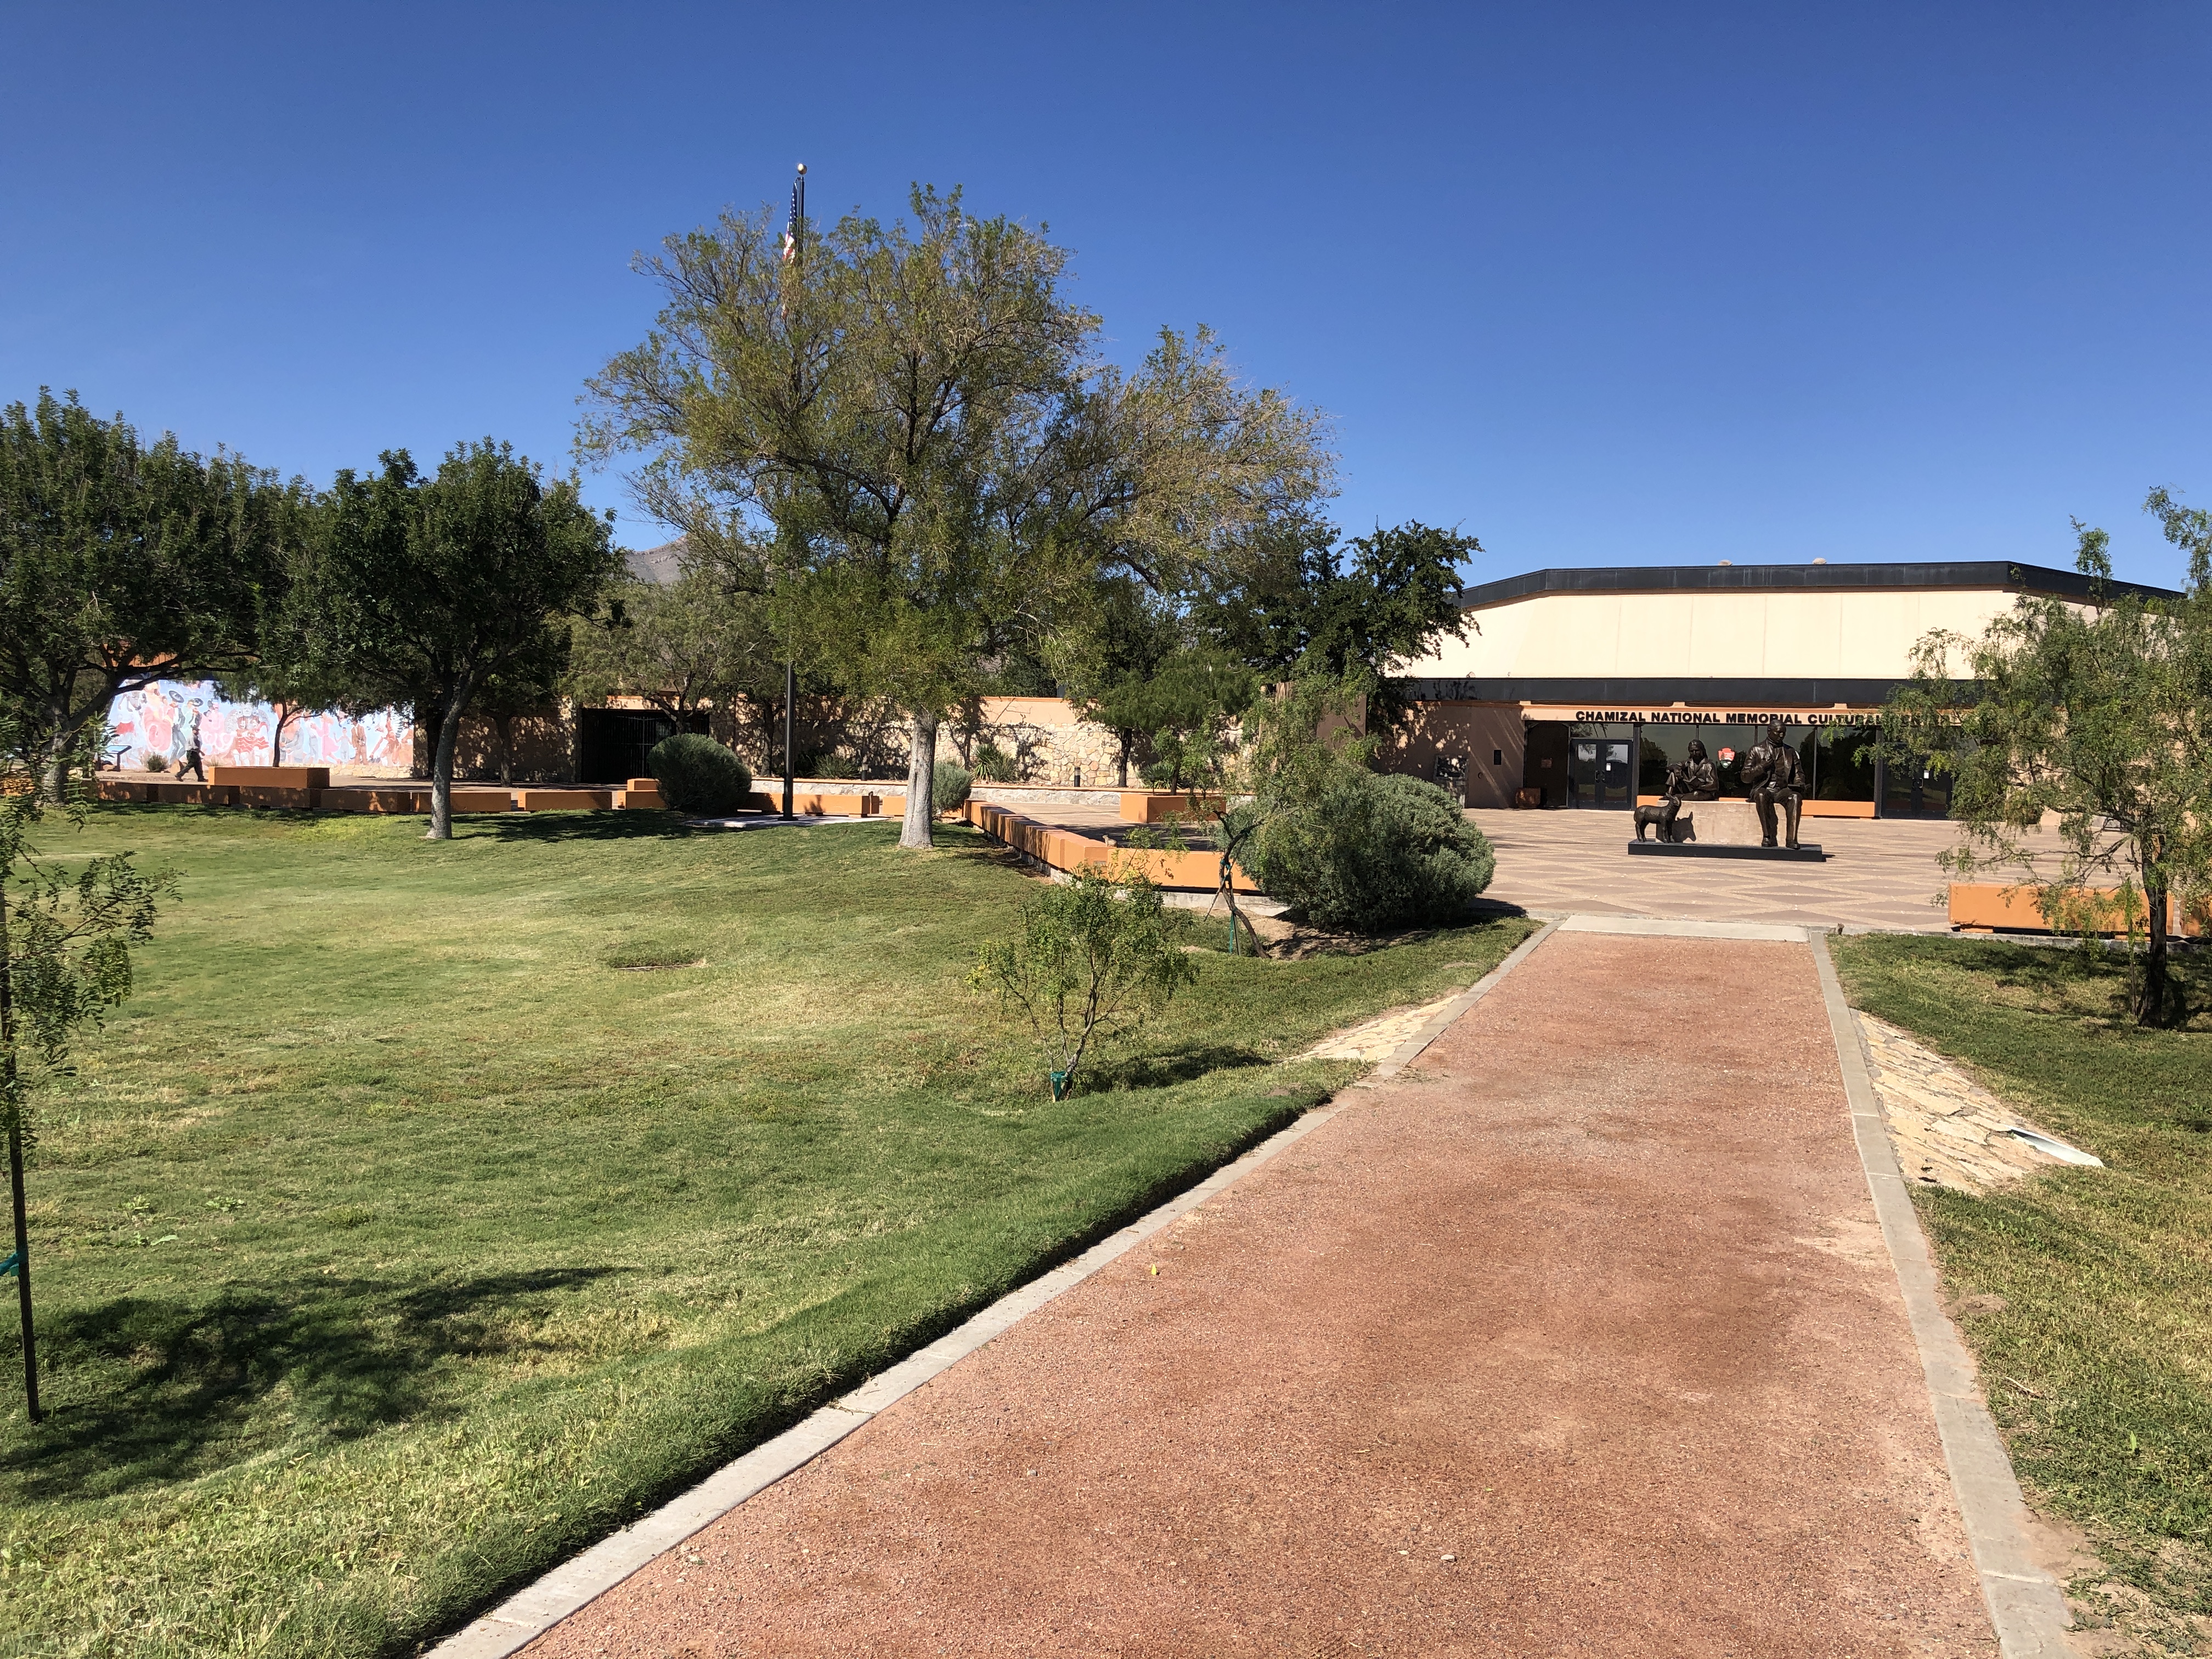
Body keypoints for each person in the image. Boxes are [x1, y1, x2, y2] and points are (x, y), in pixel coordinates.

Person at [1741, 719, 1805, 848]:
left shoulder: (1790, 751)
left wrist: (1799, 783)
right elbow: (1744, 777)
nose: (1781, 735)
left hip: (1783, 790)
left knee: (1795, 797)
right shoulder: (1756, 750)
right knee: (1761, 795)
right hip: (1764, 788)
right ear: (1769, 732)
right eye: (1778, 732)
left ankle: (1792, 839)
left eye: (1784, 733)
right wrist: (1761, 767)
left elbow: (1798, 773)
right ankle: (1767, 837)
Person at [1656, 738, 1719, 842]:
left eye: (1697, 751)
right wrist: (1676, 768)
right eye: (1692, 751)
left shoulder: (1709, 765)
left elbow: (1714, 785)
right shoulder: (1688, 763)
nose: (1694, 753)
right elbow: (1670, 767)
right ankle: (1669, 794)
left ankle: (1678, 797)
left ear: (1702, 750)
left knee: (1695, 794)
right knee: (1674, 773)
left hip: (1704, 792)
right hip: (1690, 789)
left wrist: (1700, 785)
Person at [176, 714, 206, 782]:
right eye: (196, 731)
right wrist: (201, 752)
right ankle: (179, 775)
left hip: (195, 753)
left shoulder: (196, 737)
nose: (198, 732)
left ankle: (201, 778)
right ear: (193, 731)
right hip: (192, 753)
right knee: (190, 765)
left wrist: (199, 751)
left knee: (198, 765)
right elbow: (194, 746)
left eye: (198, 731)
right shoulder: (192, 737)